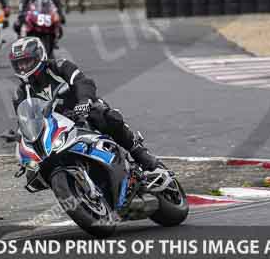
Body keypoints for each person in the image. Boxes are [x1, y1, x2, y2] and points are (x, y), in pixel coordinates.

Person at [8, 36, 160, 172]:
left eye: (26, 62)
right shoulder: (21, 94)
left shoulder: (60, 67)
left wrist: (84, 101)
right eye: (18, 64)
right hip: (56, 129)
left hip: (81, 111)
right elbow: (26, 120)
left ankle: (138, 152)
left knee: (105, 115)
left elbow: (83, 82)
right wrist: (18, 135)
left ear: (39, 57)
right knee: (33, 172)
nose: (22, 68)